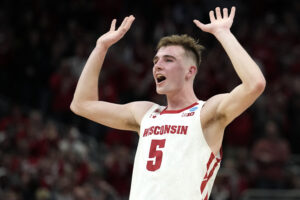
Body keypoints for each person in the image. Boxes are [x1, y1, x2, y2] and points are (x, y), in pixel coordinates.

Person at [70, 7, 266, 200]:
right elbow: (81, 104)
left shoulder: (206, 114)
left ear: (190, 71)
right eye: (156, 60)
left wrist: (223, 33)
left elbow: (254, 84)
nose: (157, 65)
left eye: (168, 60)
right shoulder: (145, 113)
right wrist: (101, 47)